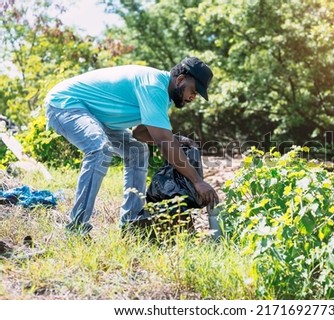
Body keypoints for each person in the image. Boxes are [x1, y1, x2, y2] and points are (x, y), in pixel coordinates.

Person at [44, 57, 219, 235]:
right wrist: (197, 181)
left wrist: (176, 139)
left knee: (137, 151)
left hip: (98, 118)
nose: (193, 97)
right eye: (194, 91)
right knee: (99, 149)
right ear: (180, 80)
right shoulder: (153, 86)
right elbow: (165, 143)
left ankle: (132, 222)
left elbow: (139, 133)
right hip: (66, 103)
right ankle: (77, 227)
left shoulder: (163, 97)